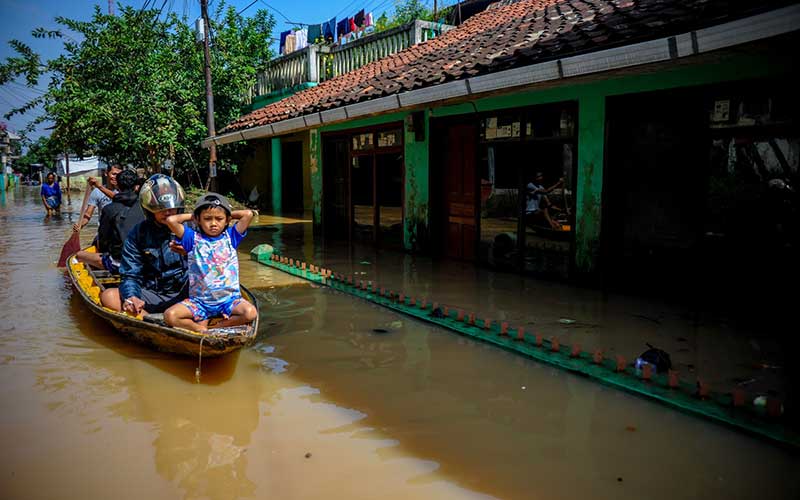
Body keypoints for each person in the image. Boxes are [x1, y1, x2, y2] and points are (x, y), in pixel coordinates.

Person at [163, 192, 257, 333]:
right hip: (200, 303)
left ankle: (218, 327)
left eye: (219, 219)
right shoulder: (192, 239)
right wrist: (194, 215)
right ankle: (199, 329)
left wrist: (225, 213)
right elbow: (171, 220)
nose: (213, 223)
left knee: (250, 313)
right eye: (207, 219)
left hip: (229, 301)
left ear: (227, 220)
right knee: (170, 316)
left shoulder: (231, 237)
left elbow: (248, 214)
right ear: (198, 220)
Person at [100, 174, 189, 316]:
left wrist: (192, 251)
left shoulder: (192, 228)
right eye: (160, 209)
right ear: (150, 210)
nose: (167, 213)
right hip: (153, 293)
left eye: (171, 209)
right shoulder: (138, 233)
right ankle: (149, 319)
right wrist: (132, 297)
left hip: (187, 294)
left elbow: (215, 263)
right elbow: (130, 274)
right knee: (109, 296)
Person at [74, 169, 145, 273]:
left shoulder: (109, 209)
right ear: (136, 187)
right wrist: (80, 225)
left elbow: (103, 243)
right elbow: (88, 215)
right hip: (143, 260)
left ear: (118, 185)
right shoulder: (146, 207)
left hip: (119, 262)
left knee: (79, 255)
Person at [73, 164, 123, 233]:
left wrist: (99, 186)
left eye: (119, 175)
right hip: (104, 232)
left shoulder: (123, 192)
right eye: (113, 174)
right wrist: (80, 224)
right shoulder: (97, 192)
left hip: (120, 231)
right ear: (106, 173)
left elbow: (117, 198)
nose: (116, 177)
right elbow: (88, 214)